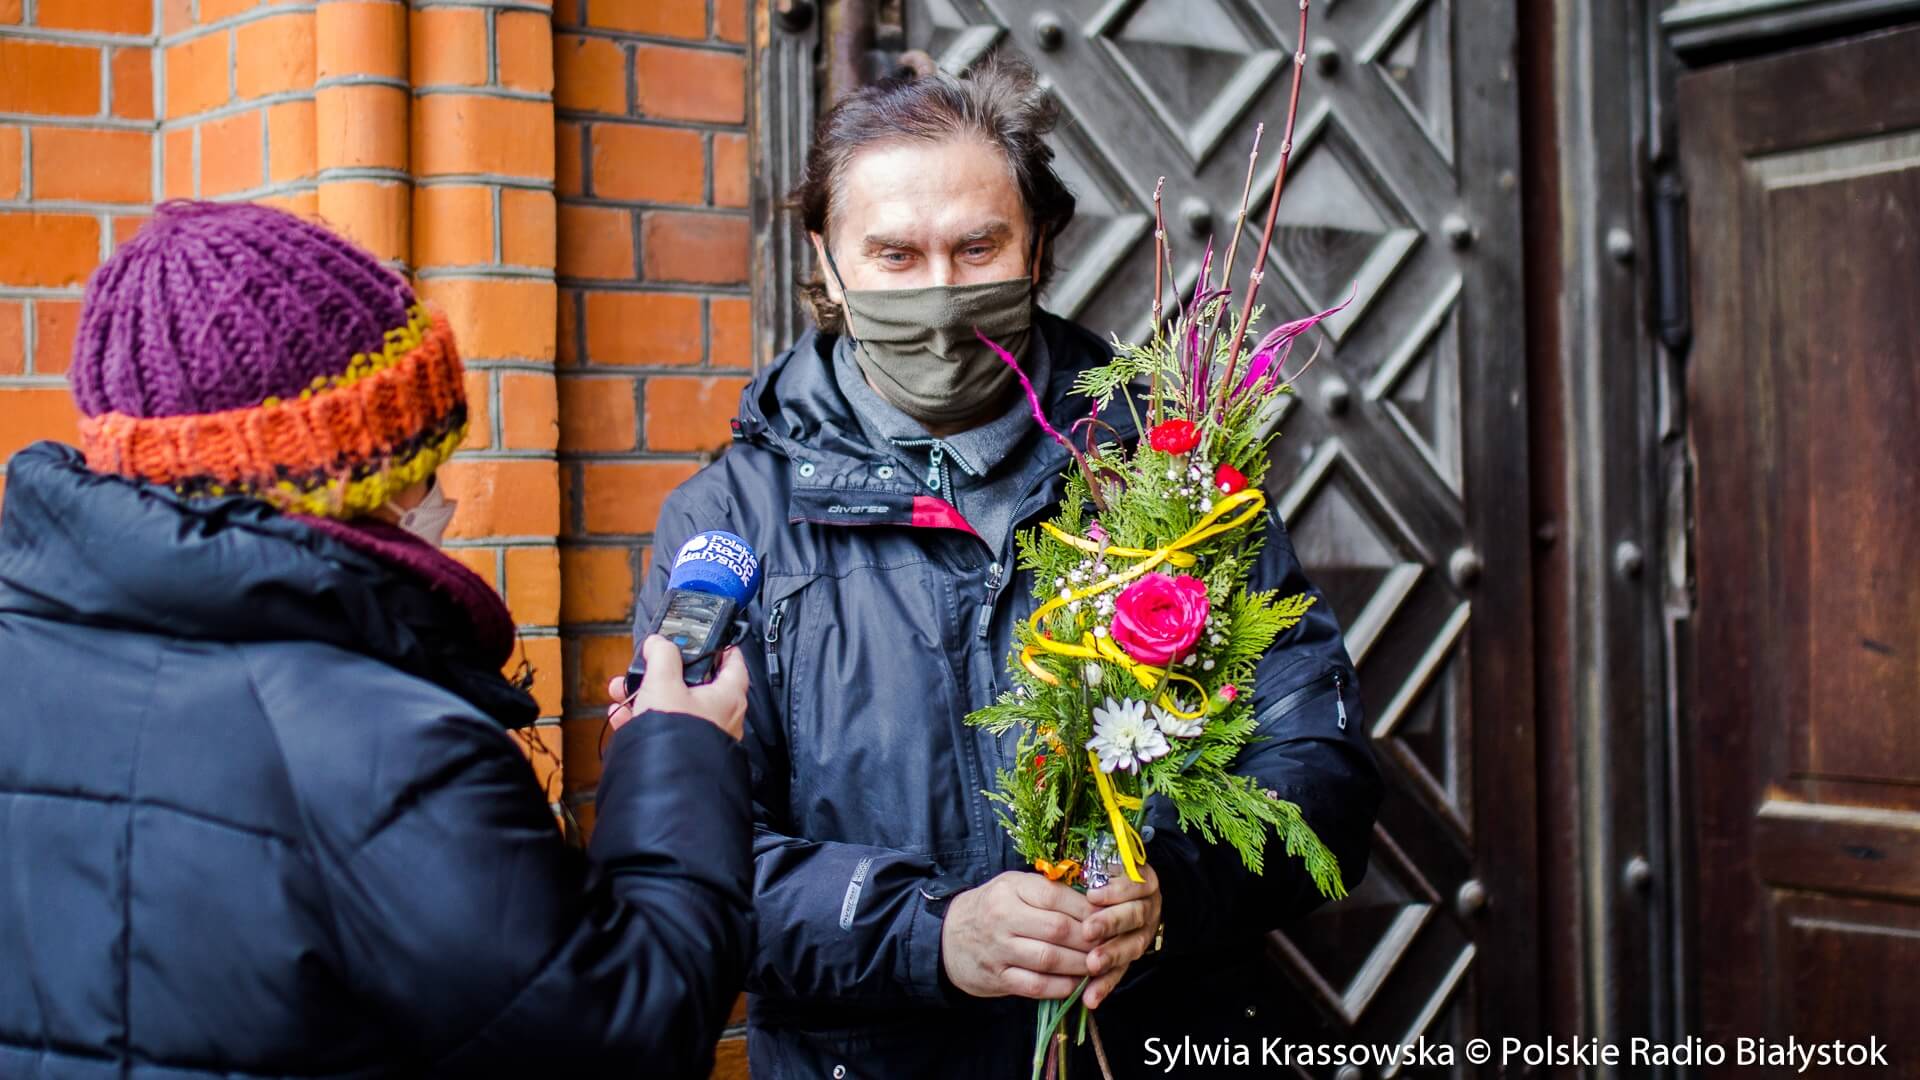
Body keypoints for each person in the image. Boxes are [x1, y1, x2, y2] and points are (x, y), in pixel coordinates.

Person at [632, 58, 1384, 1078]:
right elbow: (686, 870)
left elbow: (1321, 767)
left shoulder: (1170, 474)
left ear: (1037, 248)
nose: (941, 296)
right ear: (827, 258)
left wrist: (1174, 891)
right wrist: (930, 934)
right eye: (895, 255)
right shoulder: (730, 523)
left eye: (976, 247)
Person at [0, 201, 752, 1078]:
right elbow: (629, 1033)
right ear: (343, 489)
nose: (442, 503)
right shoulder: (387, 745)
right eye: (423, 471)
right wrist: (682, 752)